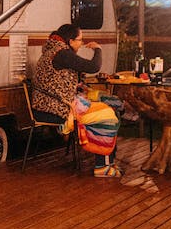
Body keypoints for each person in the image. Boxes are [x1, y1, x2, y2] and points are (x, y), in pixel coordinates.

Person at [31, 23, 123, 178]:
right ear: (70, 41)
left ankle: (108, 161)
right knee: (108, 115)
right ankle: (102, 167)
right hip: (56, 108)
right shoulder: (62, 54)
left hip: (50, 104)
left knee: (109, 107)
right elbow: (93, 66)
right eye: (80, 40)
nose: (81, 43)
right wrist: (98, 49)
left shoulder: (54, 50)